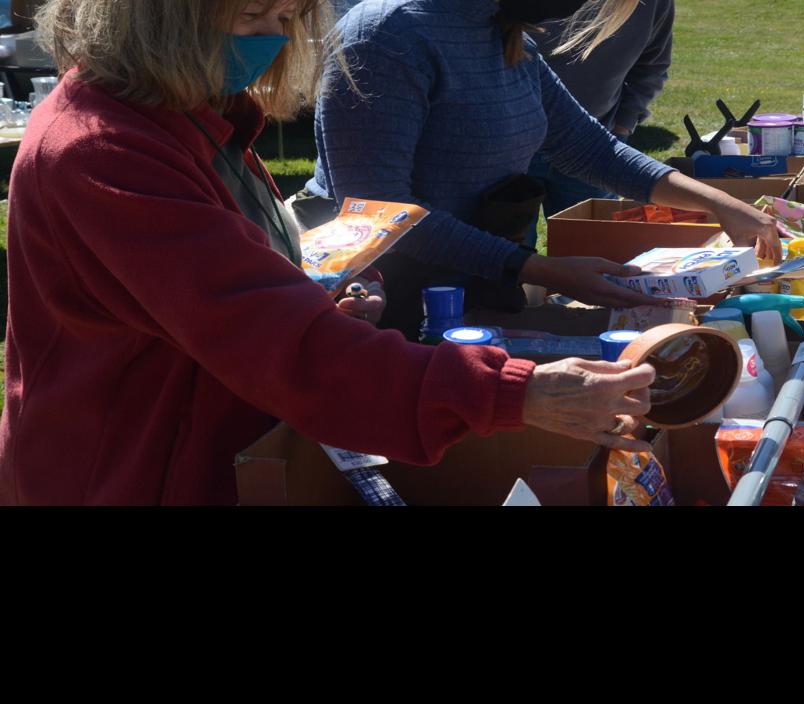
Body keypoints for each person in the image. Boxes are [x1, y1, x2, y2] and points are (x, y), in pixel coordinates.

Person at [1, 0, 657, 505]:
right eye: (251, 14)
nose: (272, 36)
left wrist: (316, 292)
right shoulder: (103, 149)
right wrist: (515, 393)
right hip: (125, 466)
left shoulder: (190, 113)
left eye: (285, 15)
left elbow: (225, 286)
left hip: (201, 441)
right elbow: (265, 334)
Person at [302, 0, 778, 339]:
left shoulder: (504, 34)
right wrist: (543, 270)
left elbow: (590, 148)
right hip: (388, 305)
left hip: (481, 287)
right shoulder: (386, 36)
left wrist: (725, 206)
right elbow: (379, 210)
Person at [526, 0, 672, 222]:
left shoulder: (653, 4)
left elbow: (652, 64)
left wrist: (623, 124)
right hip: (516, 143)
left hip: (597, 142)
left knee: (590, 245)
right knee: (507, 248)